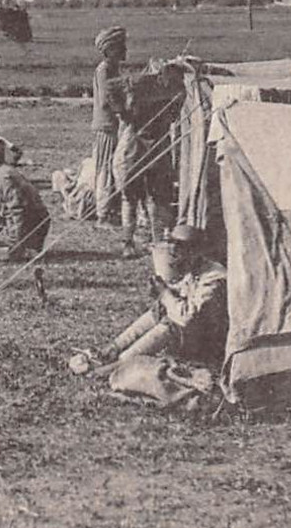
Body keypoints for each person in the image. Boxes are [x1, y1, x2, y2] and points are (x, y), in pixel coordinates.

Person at [73, 224, 228, 370]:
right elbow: (181, 294)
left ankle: (121, 363)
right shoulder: (195, 267)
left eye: (179, 252)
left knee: (171, 324)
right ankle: (114, 349)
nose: (175, 257)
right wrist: (164, 291)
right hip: (196, 331)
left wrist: (165, 293)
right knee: (160, 308)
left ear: (194, 251)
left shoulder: (214, 277)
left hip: (211, 343)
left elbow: (188, 317)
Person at [113, 62, 183, 255]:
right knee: (135, 197)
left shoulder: (156, 94)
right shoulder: (145, 91)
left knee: (153, 197)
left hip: (150, 148)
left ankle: (155, 242)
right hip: (138, 148)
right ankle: (132, 242)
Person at [91, 26, 128, 227]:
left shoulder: (113, 69)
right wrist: (124, 109)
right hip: (106, 125)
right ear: (110, 50)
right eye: (120, 46)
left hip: (111, 124)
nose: (125, 50)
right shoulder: (104, 70)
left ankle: (110, 210)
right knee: (106, 168)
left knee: (112, 167)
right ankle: (103, 214)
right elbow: (107, 100)